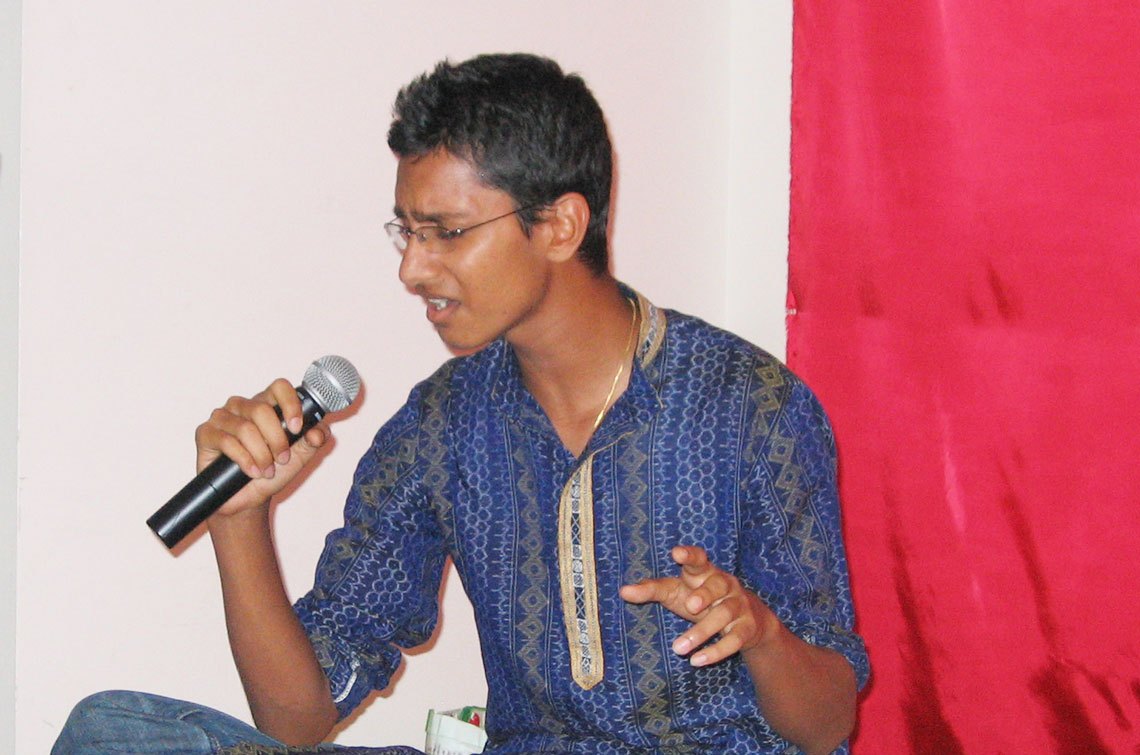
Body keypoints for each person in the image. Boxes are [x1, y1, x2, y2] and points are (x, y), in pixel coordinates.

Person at [53, 53, 869, 754]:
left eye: (445, 232)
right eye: (405, 232)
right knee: (113, 732)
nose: (412, 269)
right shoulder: (440, 426)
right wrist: (241, 521)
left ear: (559, 225)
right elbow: (296, 721)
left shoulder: (751, 405)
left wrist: (760, 632)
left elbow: (828, 722)